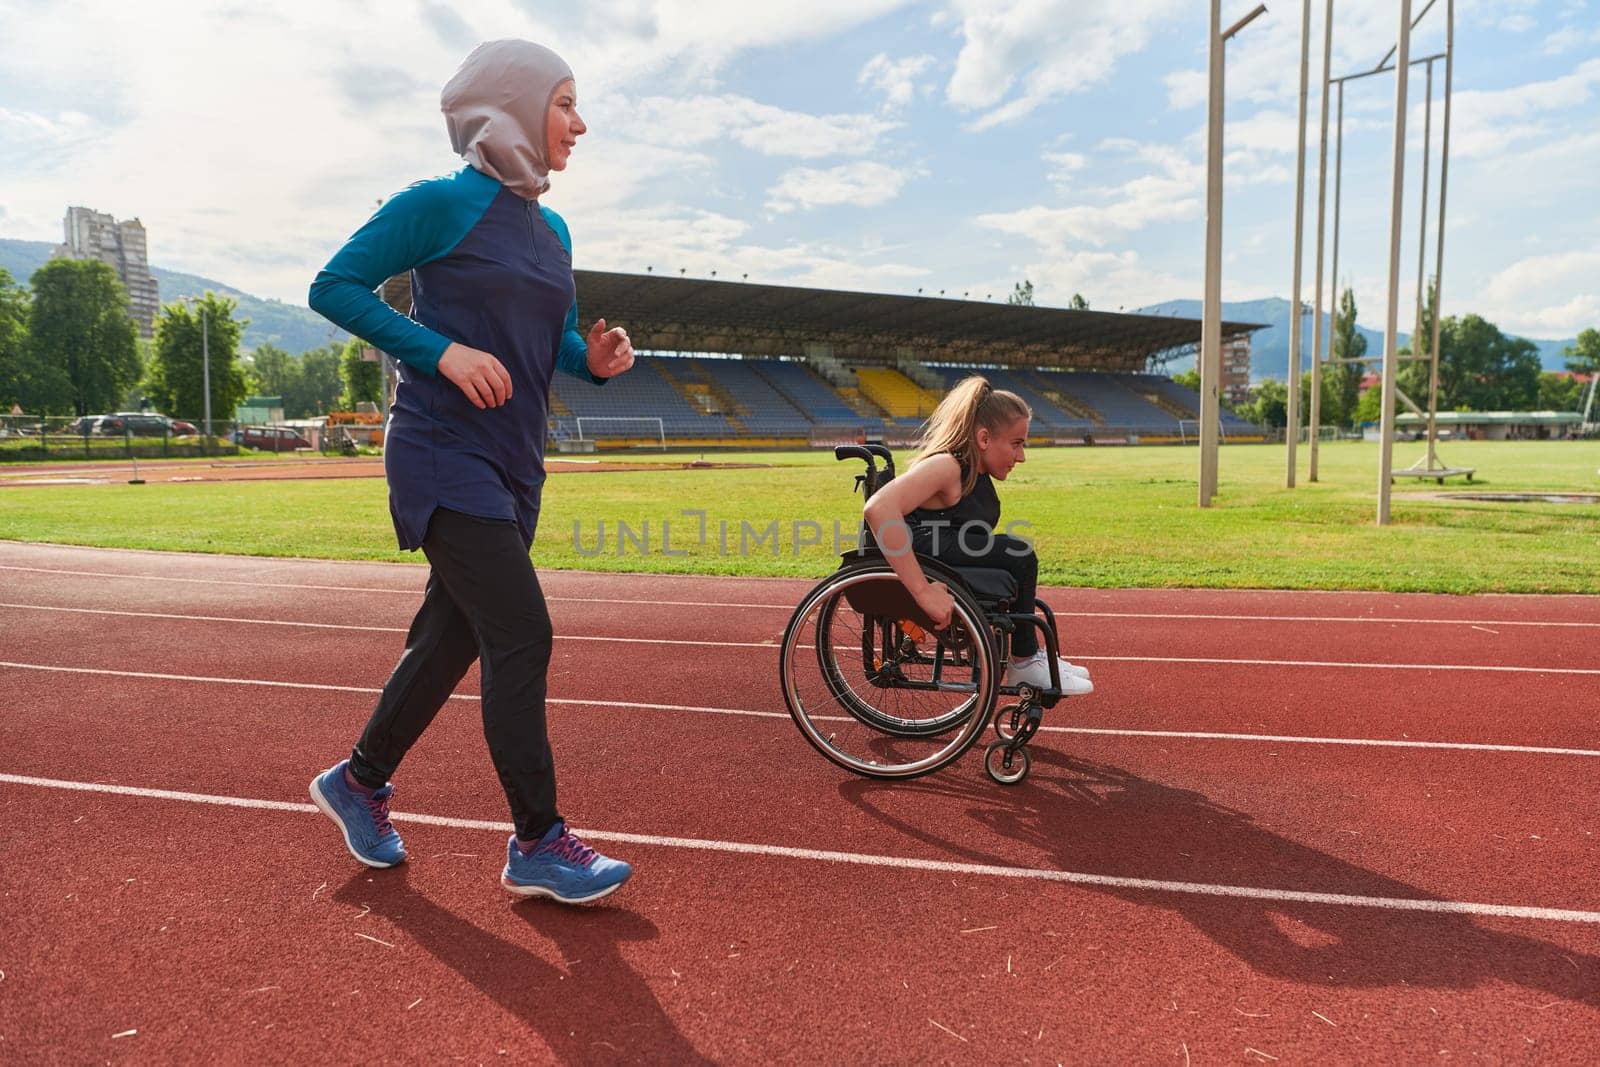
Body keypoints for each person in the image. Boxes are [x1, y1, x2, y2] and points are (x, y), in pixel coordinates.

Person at [305, 39, 636, 904]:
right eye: (565, 103)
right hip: (440, 451)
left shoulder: (553, 228)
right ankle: (538, 839)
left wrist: (592, 361)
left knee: (452, 639)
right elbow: (335, 286)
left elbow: (551, 344)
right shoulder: (438, 205)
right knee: (522, 633)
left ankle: (361, 779)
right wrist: (442, 350)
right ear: (515, 104)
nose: (580, 123)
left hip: (515, 463)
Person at [861, 375, 1094, 696]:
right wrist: (922, 592)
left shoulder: (975, 472)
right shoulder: (947, 466)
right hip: (922, 549)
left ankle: (1028, 659)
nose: (1022, 456)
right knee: (1019, 554)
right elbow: (878, 509)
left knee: (1015, 557)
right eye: (1017, 444)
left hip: (940, 545)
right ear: (984, 439)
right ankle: (1025, 662)